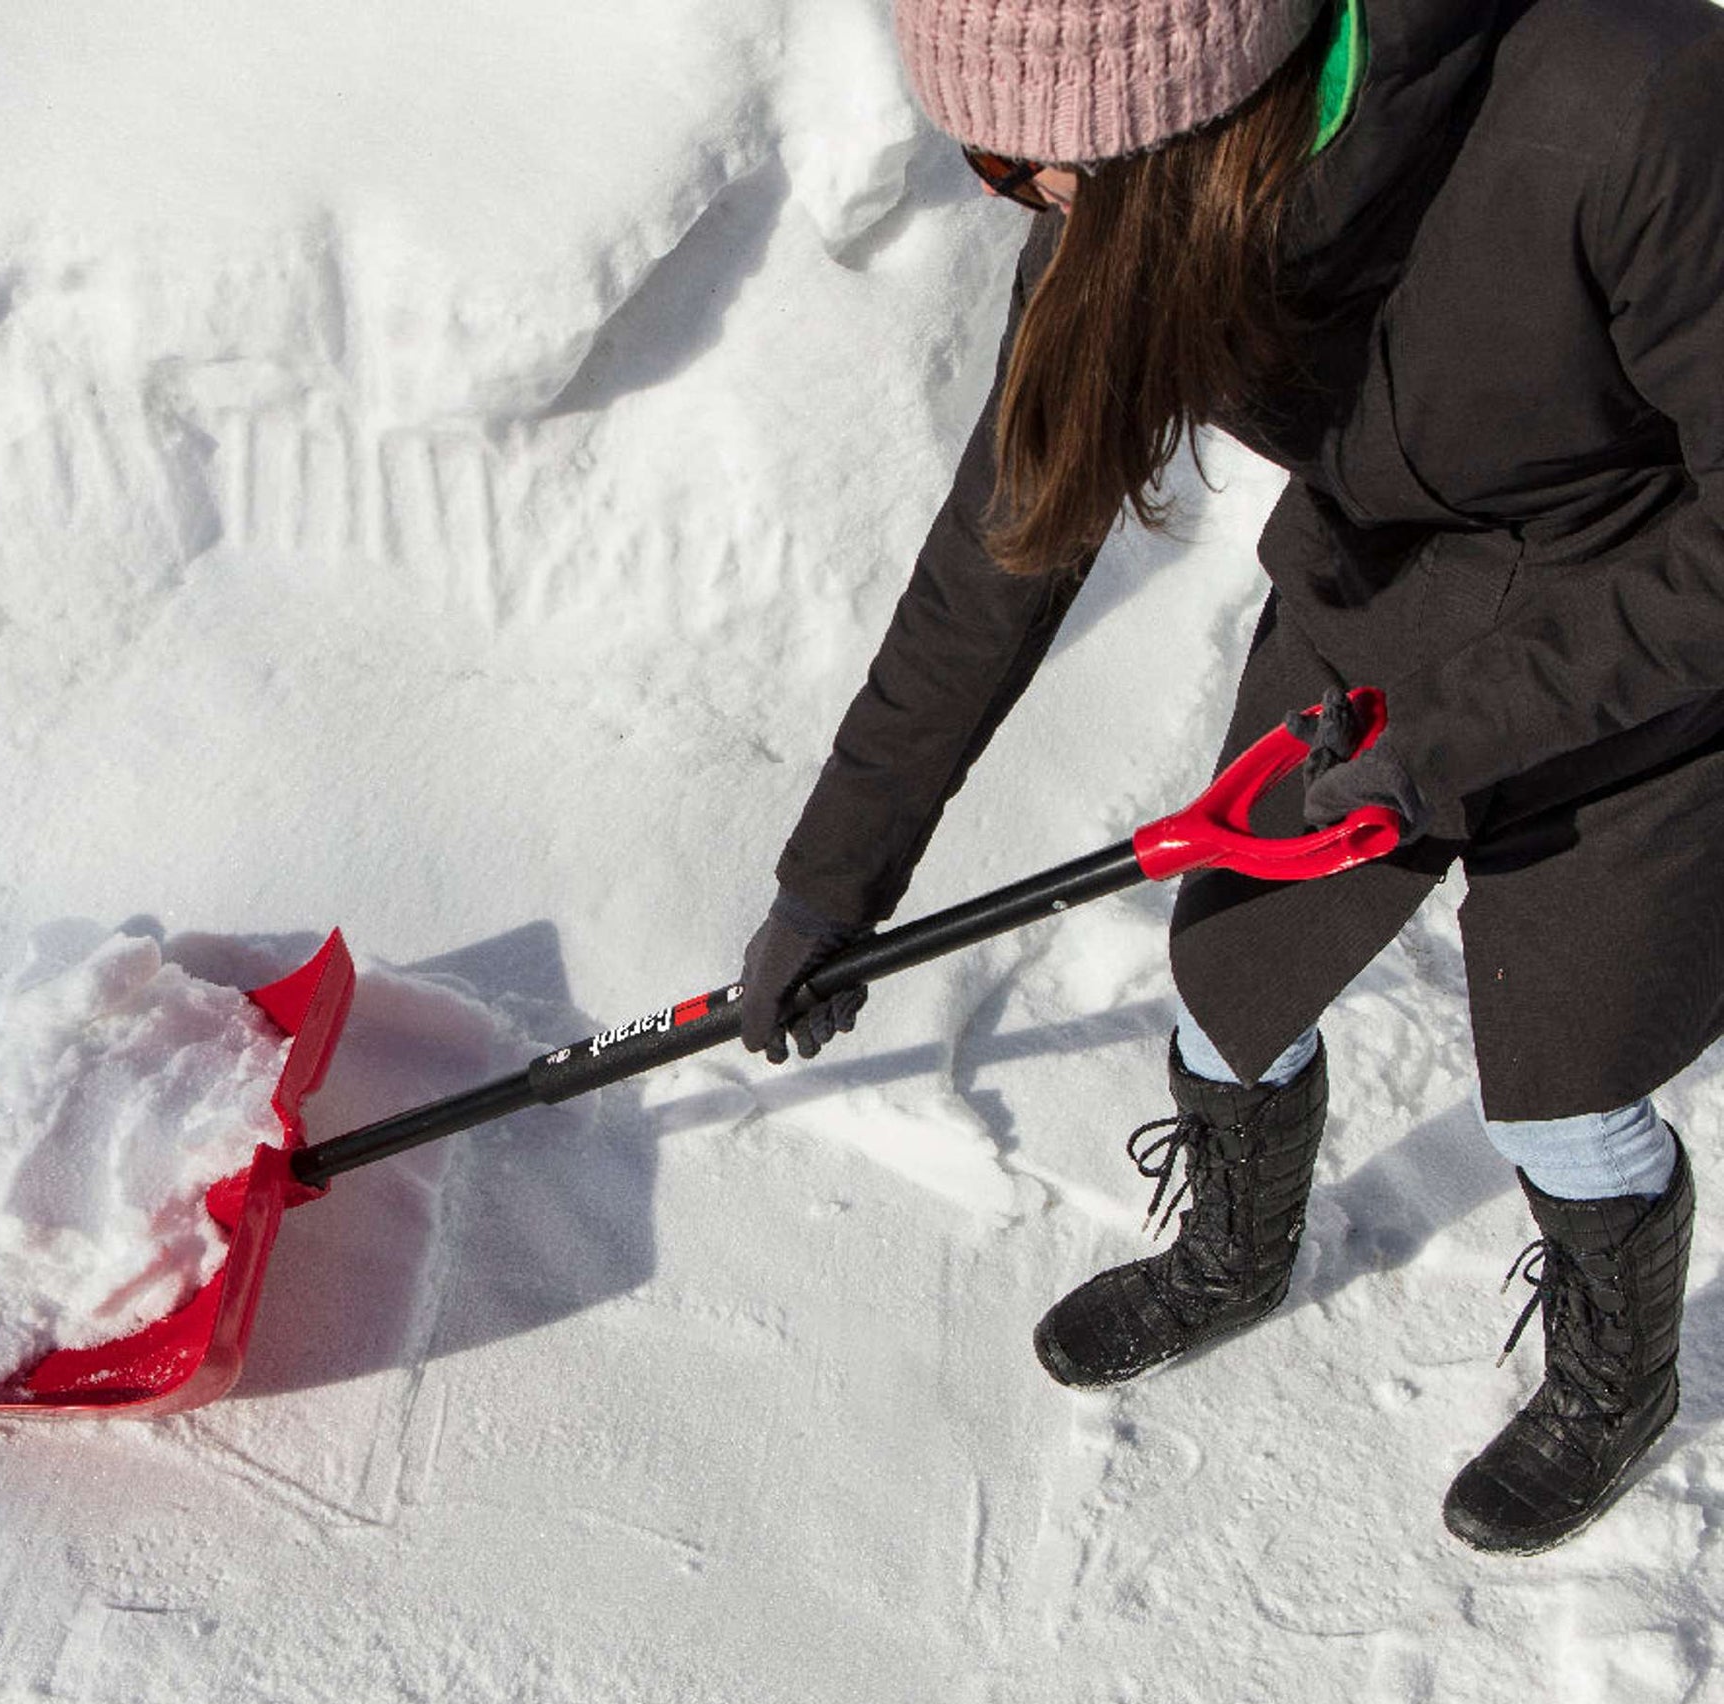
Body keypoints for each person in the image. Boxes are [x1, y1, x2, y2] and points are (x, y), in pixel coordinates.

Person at [739, 0, 1724, 1555]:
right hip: (1372, 604)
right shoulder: (1129, 215)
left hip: (1635, 635)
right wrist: (828, 882)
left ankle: (1617, 1382)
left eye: (1007, 163)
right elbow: (1003, 547)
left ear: (1157, 116)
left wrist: (1458, 736)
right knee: (1227, 981)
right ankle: (1235, 1250)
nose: (1007, 195)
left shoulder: (1620, 106)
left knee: (1567, 1086)